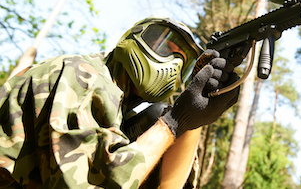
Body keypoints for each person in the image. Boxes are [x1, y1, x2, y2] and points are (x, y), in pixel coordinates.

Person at [0, 17, 240, 188]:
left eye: (183, 62)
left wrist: (194, 116)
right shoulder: (82, 74)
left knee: (155, 119)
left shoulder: (120, 108)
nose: (173, 64)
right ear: (133, 38)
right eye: (166, 47)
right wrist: (175, 122)